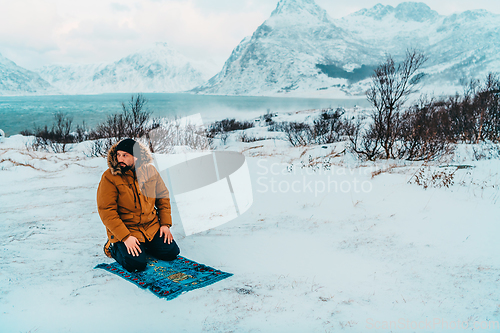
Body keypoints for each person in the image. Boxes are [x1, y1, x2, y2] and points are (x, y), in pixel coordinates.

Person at [96, 138, 180, 272]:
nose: (120, 159)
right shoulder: (109, 177)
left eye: (125, 155)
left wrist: (165, 224)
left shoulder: (150, 172)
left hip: (150, 227)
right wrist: (125, 237)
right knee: (136, 264)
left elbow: (163, 197)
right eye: (118, 155)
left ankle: (145, 245)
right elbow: (107, 211)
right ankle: (113, 247)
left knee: (171, 253)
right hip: (127, 230)